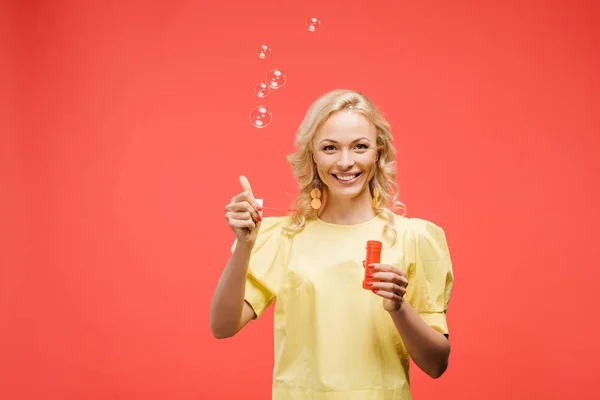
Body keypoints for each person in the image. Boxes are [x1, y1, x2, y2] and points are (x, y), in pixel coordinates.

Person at [209, 89, 454, 399]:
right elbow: (222, 327)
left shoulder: (414, 238)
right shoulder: (282, 237)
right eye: (330, 148)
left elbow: (436, 364)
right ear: (312, 154)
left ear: (378, 152)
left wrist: (399, 307)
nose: (345, 161)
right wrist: (244, 244)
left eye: (360, 147)